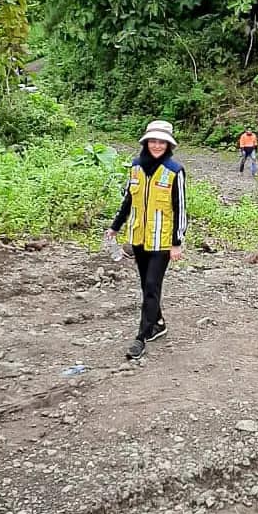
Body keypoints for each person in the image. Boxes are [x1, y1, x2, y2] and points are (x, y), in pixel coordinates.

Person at [105, 120, 187, 359]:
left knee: (152, 285)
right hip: (139, 236)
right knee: (146, 285)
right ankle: (158, 322)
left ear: (169, 145)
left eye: (162, 141)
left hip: (162, 241)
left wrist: (177, 242)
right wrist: (115, 227)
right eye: (153, 140)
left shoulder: (174, 170)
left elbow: (180, 207)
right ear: (146, 142)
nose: (157, 145)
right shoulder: (136, 166)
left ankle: (141, 337)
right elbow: (128, 201)